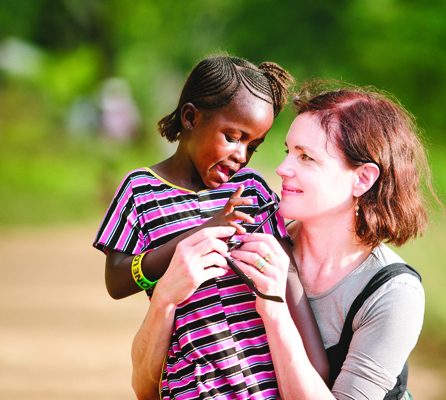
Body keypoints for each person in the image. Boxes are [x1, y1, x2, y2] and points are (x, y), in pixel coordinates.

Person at [93, 56, 327, 400]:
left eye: (253, 146)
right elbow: (116, 280)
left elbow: (286, 275)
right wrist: (205, 232)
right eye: (233, 137)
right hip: (194, 385)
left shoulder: (252, 190)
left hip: (266, 385)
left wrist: (315, 362)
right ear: (191, 118)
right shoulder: (140, 189)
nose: (242, 156)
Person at [230, 82, 439, 400]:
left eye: (306, 158)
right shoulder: (258, 246)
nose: (283, 168)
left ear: (363, 178)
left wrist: (274, 312)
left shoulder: (393, 294)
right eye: (289, 151)